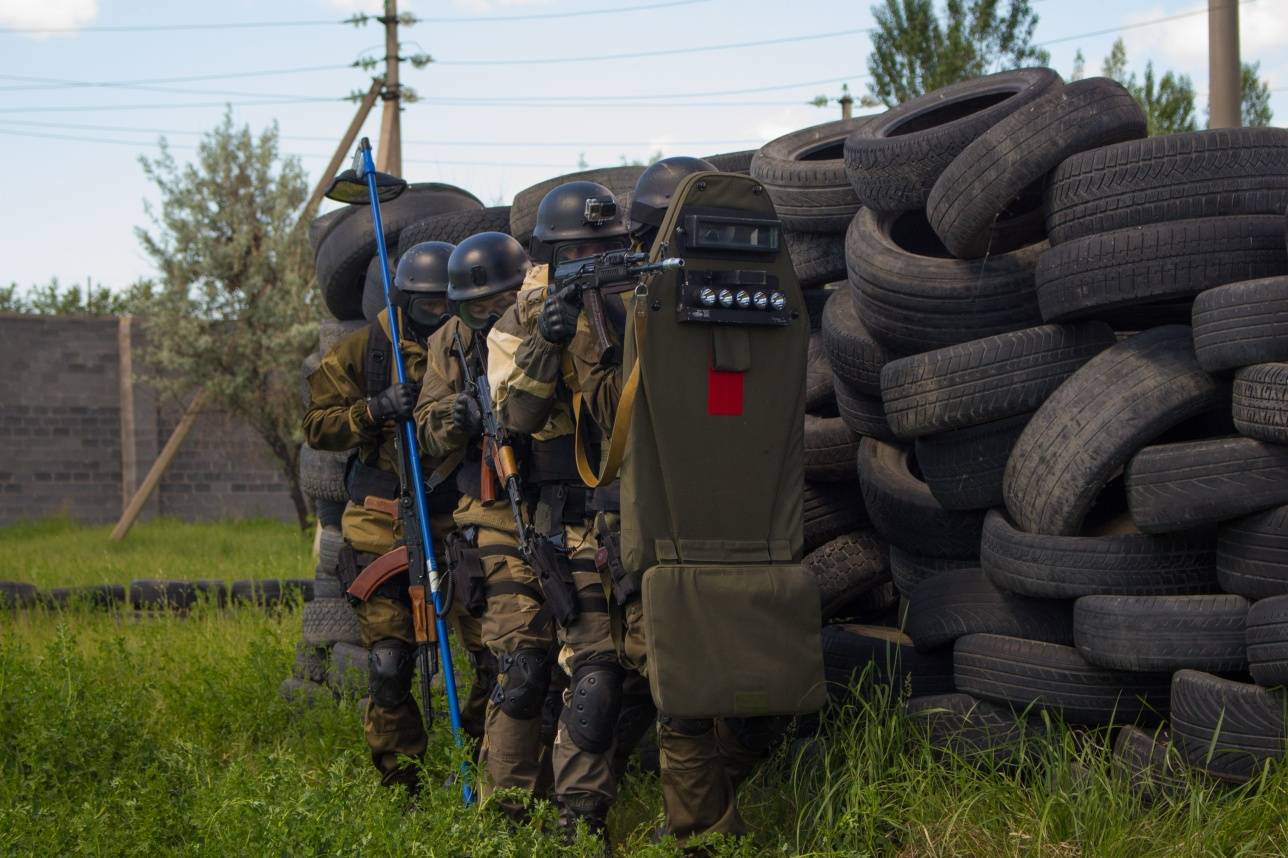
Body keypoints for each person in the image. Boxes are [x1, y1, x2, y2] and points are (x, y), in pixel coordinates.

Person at [535, 158, 791, 841]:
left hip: (726, 514)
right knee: (648, 688)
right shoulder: (603, 308)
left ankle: (700, 817)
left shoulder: (749, 300)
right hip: (638, 522)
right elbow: (596, 413)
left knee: (733, 685)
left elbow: (753, 404)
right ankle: (659, 831)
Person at [302, 241, 494, 793]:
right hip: (382, 522)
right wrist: (374, 410)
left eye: (449, 303)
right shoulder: (364, 350)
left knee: (498, 658)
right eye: (429, 304)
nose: (441, 313)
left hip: (462, 519)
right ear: (406, 298)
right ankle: (401, 782)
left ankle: (488, 768)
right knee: (388, 665)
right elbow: (316, 425)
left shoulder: (474, 344)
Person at [413, 231, 560, 819]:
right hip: (494, 516)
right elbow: (424, 428)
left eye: (493, 304)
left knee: (586, 667)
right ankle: (507, 812)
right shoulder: (450, 342)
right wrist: (452, 421)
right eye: (470, 307)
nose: (483, 316)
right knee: (520, 659)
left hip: (567, 509)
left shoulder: (547, 315)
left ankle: (571, 804)